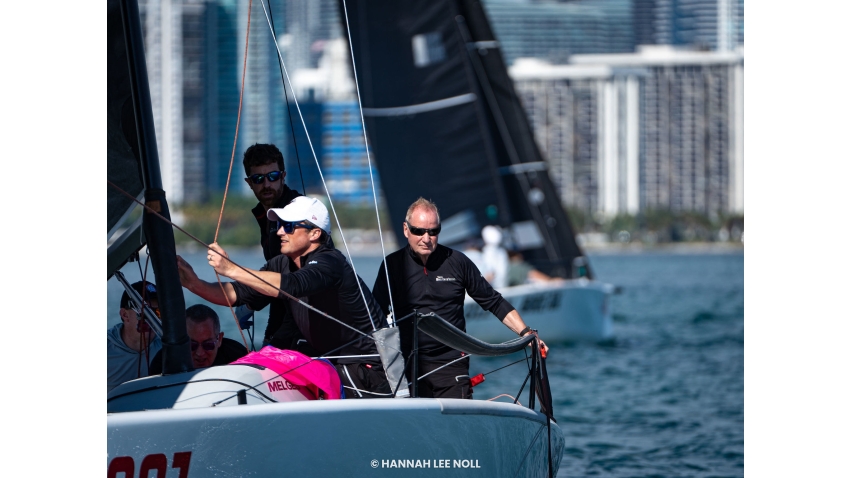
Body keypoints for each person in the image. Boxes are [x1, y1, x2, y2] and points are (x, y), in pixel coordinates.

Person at [177, 196, 392, 399]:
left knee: (283, 371)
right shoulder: (282, 263)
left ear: (314, 233)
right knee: (260, 365)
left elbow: (293, 285)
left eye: (289, 226)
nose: (280, 231)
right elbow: (236, 293)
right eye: (280, 224)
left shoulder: (331, 262)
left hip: (367, 371)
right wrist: (194, 284)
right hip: (328, 366)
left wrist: (231, 268)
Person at [372, 198, 548, 399]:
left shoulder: (457, 262)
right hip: (408, 364)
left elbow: (494, 301)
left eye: (433, 231)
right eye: (419, 231)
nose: (426, 238)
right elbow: (375, 315)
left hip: (451, 363)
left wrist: (527, 334)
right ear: (406, 230)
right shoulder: (393, 265)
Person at [242, 143, 305, 349]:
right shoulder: (265, 215)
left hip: (305, 313)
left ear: (283, 176)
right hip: (281, 307)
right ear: (249, 183)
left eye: (273, 176)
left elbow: (289, 273)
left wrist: (250, 303)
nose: (267, 184)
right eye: (258, 179)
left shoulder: (298, 210)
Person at [148, 304, 248, 375]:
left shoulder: (239, 358)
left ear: (219, 340)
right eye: (192, 345)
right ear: (181, 341)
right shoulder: (163, 364)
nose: (200, 353)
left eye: (208, 345)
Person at [107, 281, 163, 392]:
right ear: (125, 315)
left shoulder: (168, 344)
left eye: (157, 312)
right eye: (144, 313)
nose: (151, 319)